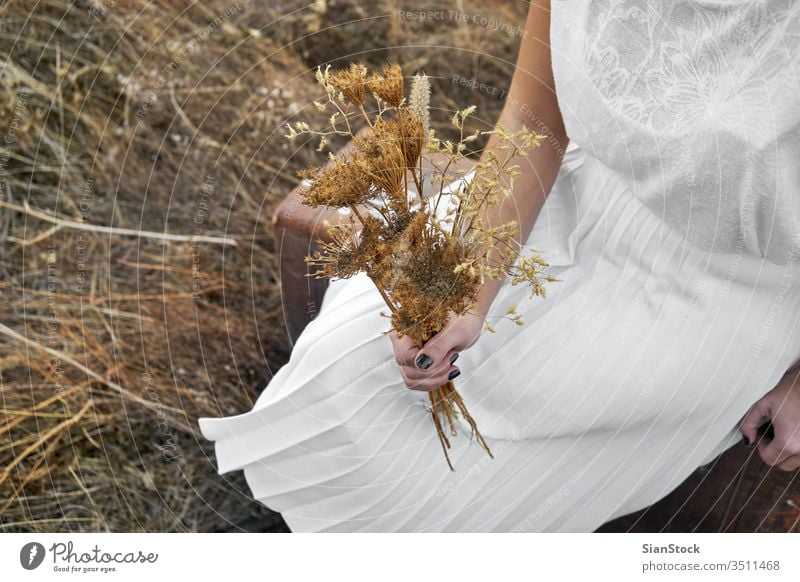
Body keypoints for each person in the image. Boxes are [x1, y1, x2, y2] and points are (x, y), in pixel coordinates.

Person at [199, 0, 800, 532]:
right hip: (572, 194)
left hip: (728, 283)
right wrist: (469, 278)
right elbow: (536, 118)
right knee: (354, 368)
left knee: (521, 437)